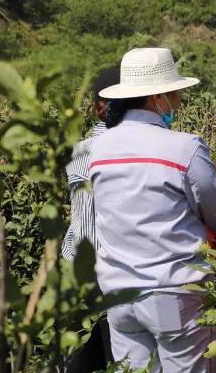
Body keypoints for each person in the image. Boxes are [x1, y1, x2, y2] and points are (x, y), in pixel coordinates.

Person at [91, 48, 216, 373]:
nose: (180, 98)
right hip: (170, 296)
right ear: (158, 96)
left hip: (119, 296)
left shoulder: (97, 150)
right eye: (176, 92)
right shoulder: (183, 148)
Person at [62, 66, 120, 373]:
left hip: (77, 268)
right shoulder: (121, 151)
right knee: (119, 360)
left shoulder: (79, 151)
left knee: (82, 361)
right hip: (110, 274)